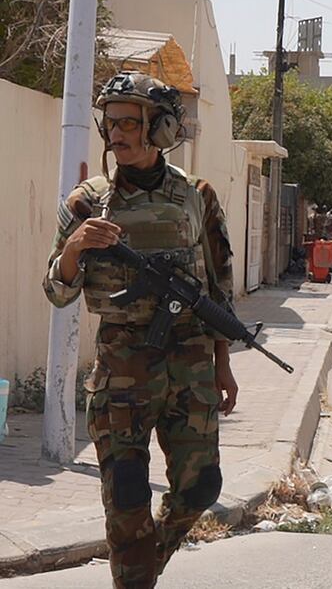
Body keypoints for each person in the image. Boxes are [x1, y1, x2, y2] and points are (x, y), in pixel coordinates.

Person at [42, 72, 237, 588]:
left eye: (130, 123)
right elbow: (57, 291)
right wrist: (75, 249)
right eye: (111, 124)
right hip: (123, 374)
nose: (117, 135)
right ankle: (136, 575)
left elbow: (219, 285)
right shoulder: (88, 201)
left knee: (200, 490)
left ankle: (144, 563)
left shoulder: (197, 194)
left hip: (192, 365)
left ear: (162, 128)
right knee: (127, 500)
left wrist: (223, 365)